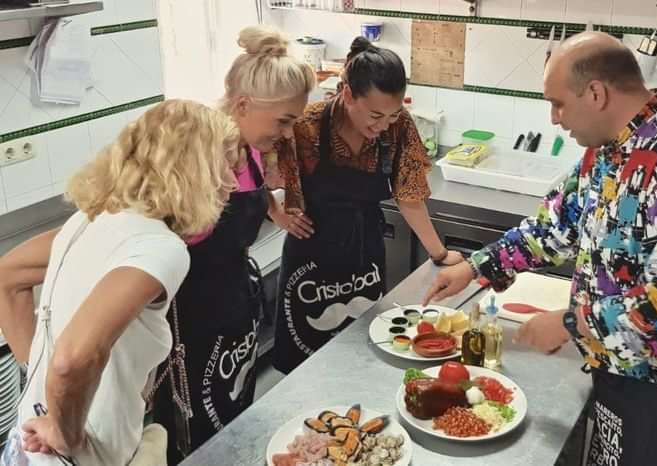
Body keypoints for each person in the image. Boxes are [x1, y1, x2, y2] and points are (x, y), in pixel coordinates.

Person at [424, 32, 657, 466]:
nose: (555, 119)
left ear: (596, 93)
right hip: (619, 369)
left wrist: (571, 324)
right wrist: (478, 267)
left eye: (558, 103)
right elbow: (556, 225)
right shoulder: (610, 149)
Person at [0, 99, 241, 466]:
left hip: (24, 450)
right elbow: (72, 358)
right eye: (226, 163)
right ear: (191, 167)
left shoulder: (89, 220)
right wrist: (65, 432)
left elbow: (7, 276)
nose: (233, 181)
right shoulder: (161, 248)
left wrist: (39, 376)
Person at [149, 26, 315, 464]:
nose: (287, 131)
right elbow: (159, 236)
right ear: (243, 105)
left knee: (236, 412)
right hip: (192, 321)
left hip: (235, 309)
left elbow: (250, 195)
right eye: (283, 120)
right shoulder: (199, 156)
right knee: (196, 436)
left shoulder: (251, 147)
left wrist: (274, 210)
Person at [271, 37, 464, 374]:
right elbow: (249, 163)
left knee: (361, 356)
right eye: (375, 115)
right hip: (310, 258)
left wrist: (439, 254)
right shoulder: (307, 124)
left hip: (364, 255)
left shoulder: (399, 126)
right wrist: (274, 212)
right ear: (347, 95)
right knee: (305, 367)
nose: (382, 125)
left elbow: (409, 195)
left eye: (391, 115)